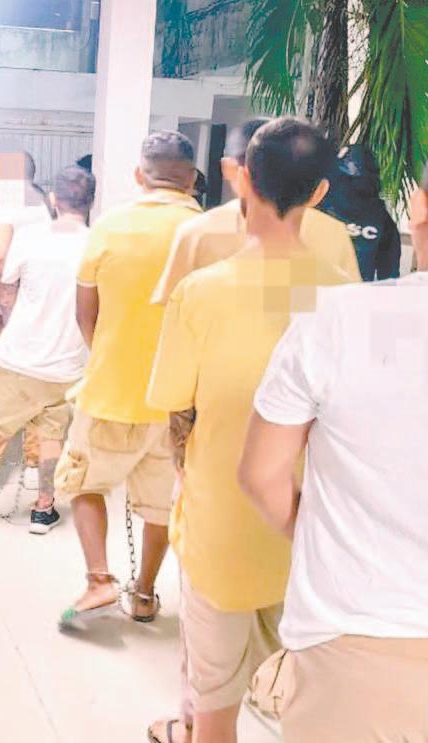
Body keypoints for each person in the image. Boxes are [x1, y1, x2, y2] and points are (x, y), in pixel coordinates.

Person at [239, 121, 428, 742]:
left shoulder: (336, 318)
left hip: (354, 651)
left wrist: (325, 536)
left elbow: (261, 473)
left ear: (419, 207)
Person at [145, 118, 354, 743]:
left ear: (243, 179)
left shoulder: (202, 293)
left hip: (221, 522)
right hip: (308, 525)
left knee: (214, 699)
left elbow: (174, 404)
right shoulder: (346, 296)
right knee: (298, 689)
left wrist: (186, 470)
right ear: (320, 192)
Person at [54, 131, 202, 628]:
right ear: (192, 179)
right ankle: (143, 593)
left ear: (140, 175)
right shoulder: (209, 233)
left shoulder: (110, 226)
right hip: (179, 400)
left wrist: (110, 356)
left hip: (110, 391)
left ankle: (100, 580)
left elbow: (86, 313)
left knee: (83, 482)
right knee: (161, 505)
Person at [0, 166, 95, 533]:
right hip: (67, 366)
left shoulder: (31, 238)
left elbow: (5, 285)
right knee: (51, 436)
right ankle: (44, 508)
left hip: (19, 357)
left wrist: (12, 311)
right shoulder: (97, 245)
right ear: (91, 203)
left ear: (53, 199)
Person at [151, 117, 359, 306]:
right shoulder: (332, 233)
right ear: (319, 190)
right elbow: (347, 307)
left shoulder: (197, 232)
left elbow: (171, 309)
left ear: (233, 170)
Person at [0, 151, 55, 495]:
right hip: (41, 304)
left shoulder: (5, 204)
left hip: (12, 303)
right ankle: (33, 464)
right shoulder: (42, 203)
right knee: (37, 383)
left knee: (1, 385)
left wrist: (0, 297)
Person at [317, 143, 403, 280]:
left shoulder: (314, 211)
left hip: (317, 290)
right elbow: (389, 278)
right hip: (352, 292)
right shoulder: (383, 220)